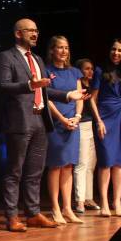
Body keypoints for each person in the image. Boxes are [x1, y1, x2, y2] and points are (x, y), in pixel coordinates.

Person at [0, 18, 83, 231]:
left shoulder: (37, 59)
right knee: (15, 171)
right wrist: (29, 85)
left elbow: (44, 89)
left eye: (36, 31)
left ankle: (33, 213)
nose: (35, 34)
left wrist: (68, 95)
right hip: (19, 121)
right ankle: (12, 216)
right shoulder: (6, 57)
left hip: (40, 120)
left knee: (35, 172)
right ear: (18, 33)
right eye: (30, 31)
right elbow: (4, 85)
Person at [90, 39, 121, 217]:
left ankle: (117, 201)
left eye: (120, 50)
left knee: (119, 161)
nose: (116, 53)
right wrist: (99, 121)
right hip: (104, 117)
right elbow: (92, 99)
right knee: (105, 161)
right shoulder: (100, 70)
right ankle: (104, 202)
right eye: (113, 49)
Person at [44, 36, 84, 225]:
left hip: (73, 123)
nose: (63, 51)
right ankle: (55, 208)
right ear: (52, 50)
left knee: (68, 165)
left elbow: (80, 97)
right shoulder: (46, 71)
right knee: (56, 165)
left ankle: (67, 208)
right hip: (55, 123)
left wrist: (77, 117)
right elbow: (47, 98)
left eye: (66, 48)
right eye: (59, 47)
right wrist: (61, 119)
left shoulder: (75, 72)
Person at [73, 58, 99, 215]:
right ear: (80, 70)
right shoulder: (78, 85)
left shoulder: (92, 86)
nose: (91, 71)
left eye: (92, 68)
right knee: (82, 163)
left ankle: (88, 197)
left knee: (91, 164)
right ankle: (79, 200)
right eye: (87, 68)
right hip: (81, 125)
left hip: (91, 126)